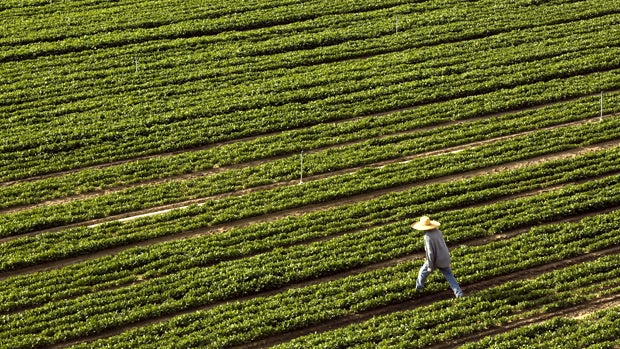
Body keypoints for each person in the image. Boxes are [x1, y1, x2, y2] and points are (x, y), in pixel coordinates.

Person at [412, 216, 464, 298]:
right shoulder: (438, 232)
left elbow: (430, 253)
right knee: (449, 276)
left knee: (422, 272)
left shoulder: (427, 237)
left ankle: (419, 288)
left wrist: (430, 266)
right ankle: (459, 293)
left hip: (435, 259)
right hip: (444, 257)